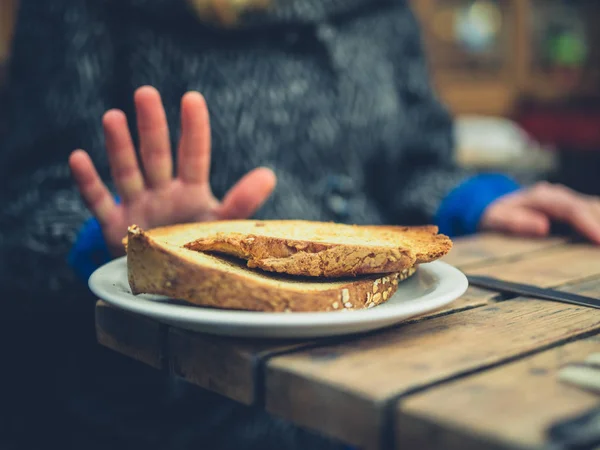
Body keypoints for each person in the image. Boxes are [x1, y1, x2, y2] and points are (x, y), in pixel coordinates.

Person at [1, 0, 599, 449]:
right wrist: (127, 243)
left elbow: (417, 160)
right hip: (185, 407)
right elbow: (23, 215)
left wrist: (481, 201)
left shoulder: (384, 11)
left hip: (405, 356)